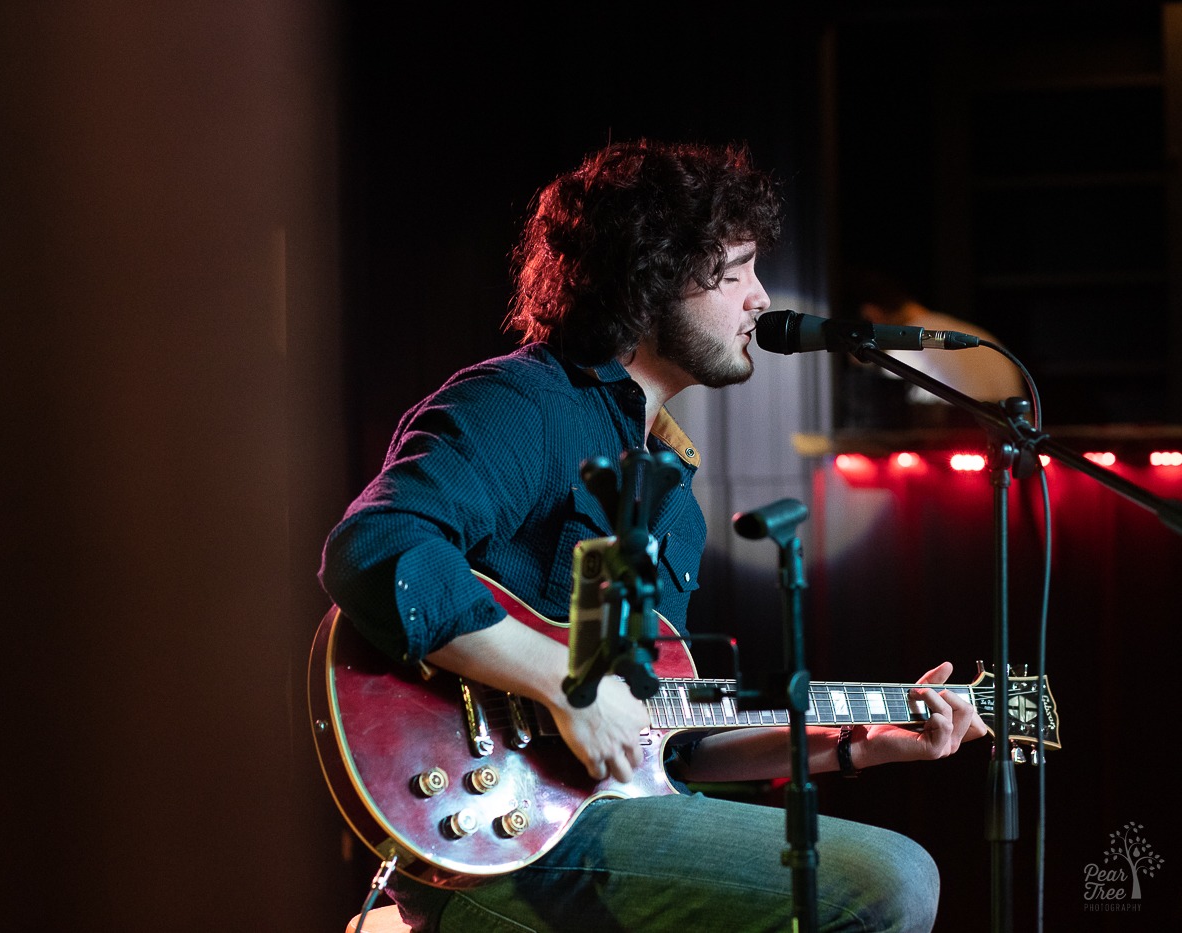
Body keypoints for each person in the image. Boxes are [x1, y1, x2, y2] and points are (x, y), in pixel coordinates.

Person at [320, 140, 987, 932]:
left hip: (599, 823)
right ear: (651, 275)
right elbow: (374, 546)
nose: (760, 297)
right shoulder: (525, 401)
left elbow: (668, 749)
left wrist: (860, 744)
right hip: (489, 832)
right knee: (893, 877)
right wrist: (568, 685)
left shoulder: (673, 500)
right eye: (734, 271)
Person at [841, 269, 1028, 421]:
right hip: (1012, 443)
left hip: (952, 447)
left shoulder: (902, 350)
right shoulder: (975, 333)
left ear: (871, 314)